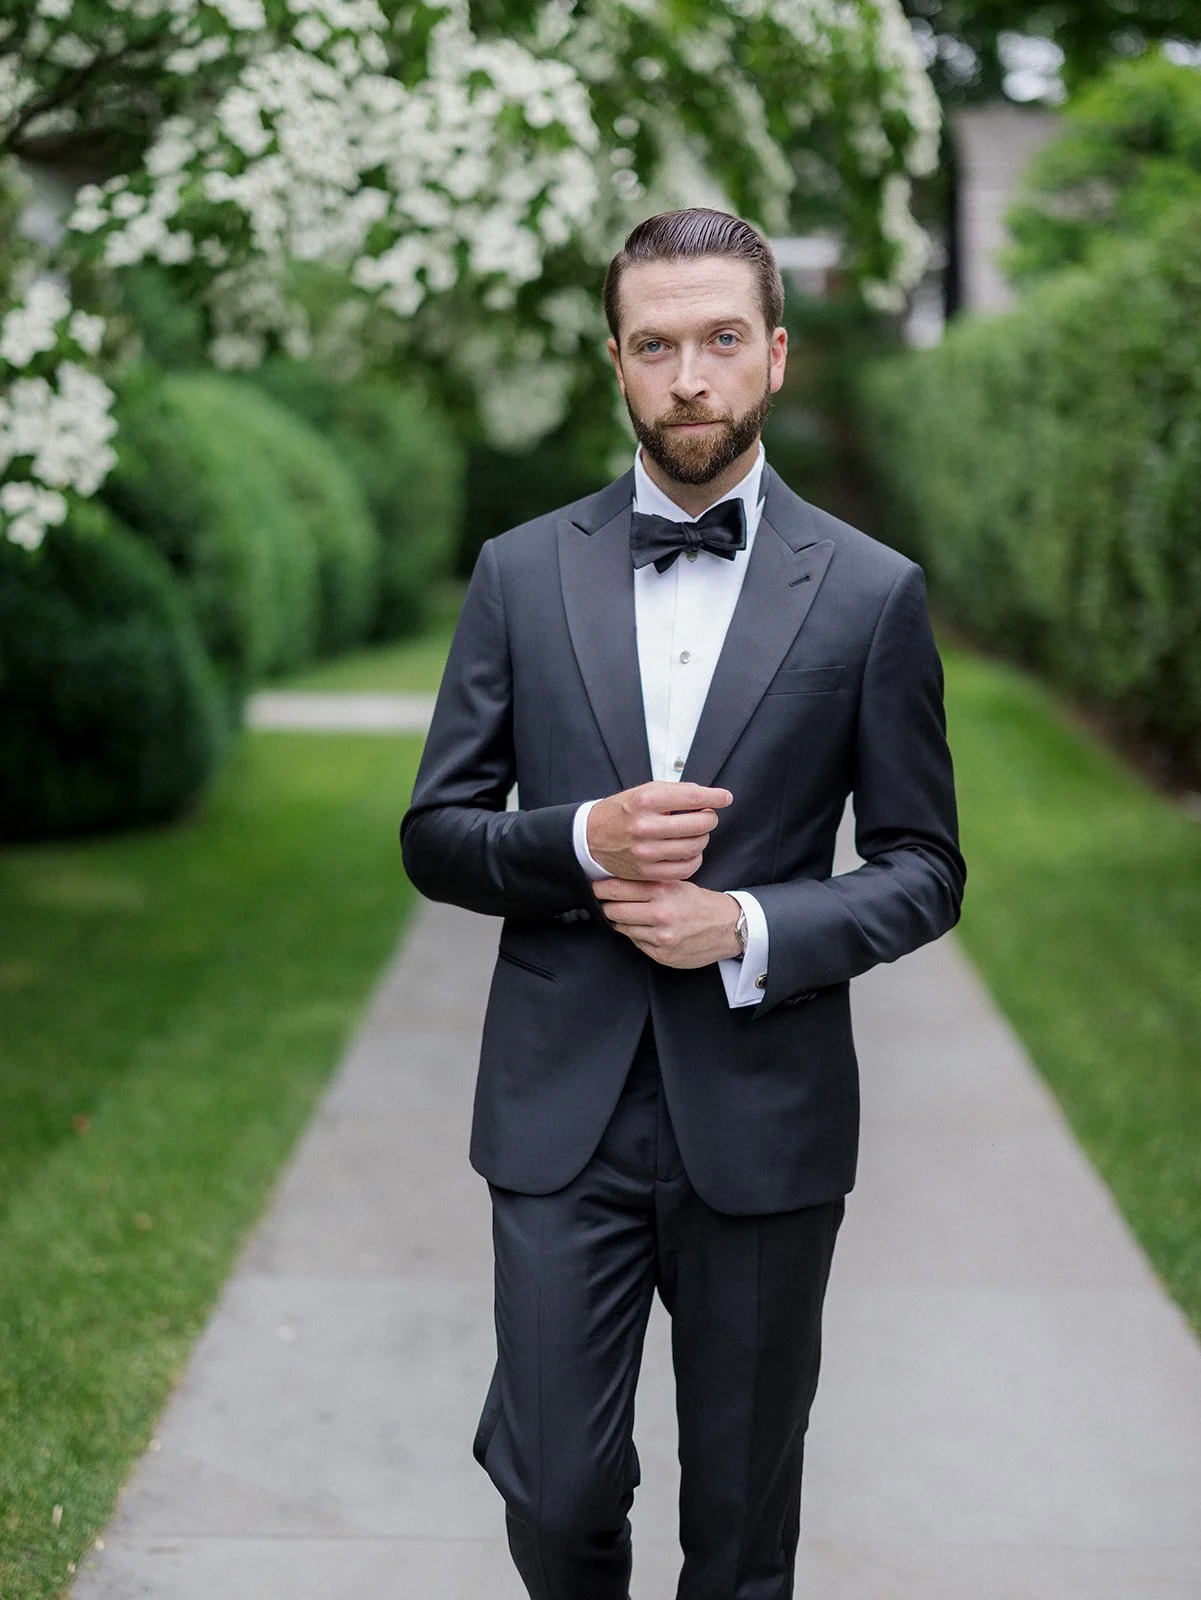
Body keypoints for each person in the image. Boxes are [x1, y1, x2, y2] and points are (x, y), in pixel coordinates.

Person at [400, 206, 965, 1600]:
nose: (690, 377)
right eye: (657, 346)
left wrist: (753, 926)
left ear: (774, 355)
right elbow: (435, 835)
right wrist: (579, 838)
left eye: (722, 341)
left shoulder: (872, 596)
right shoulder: (520, 572)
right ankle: (537, 1440)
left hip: (764, 1116)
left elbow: (924, 867)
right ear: (617, 363)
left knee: (741, 1525)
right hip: (556, 1106)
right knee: (560, 1490)